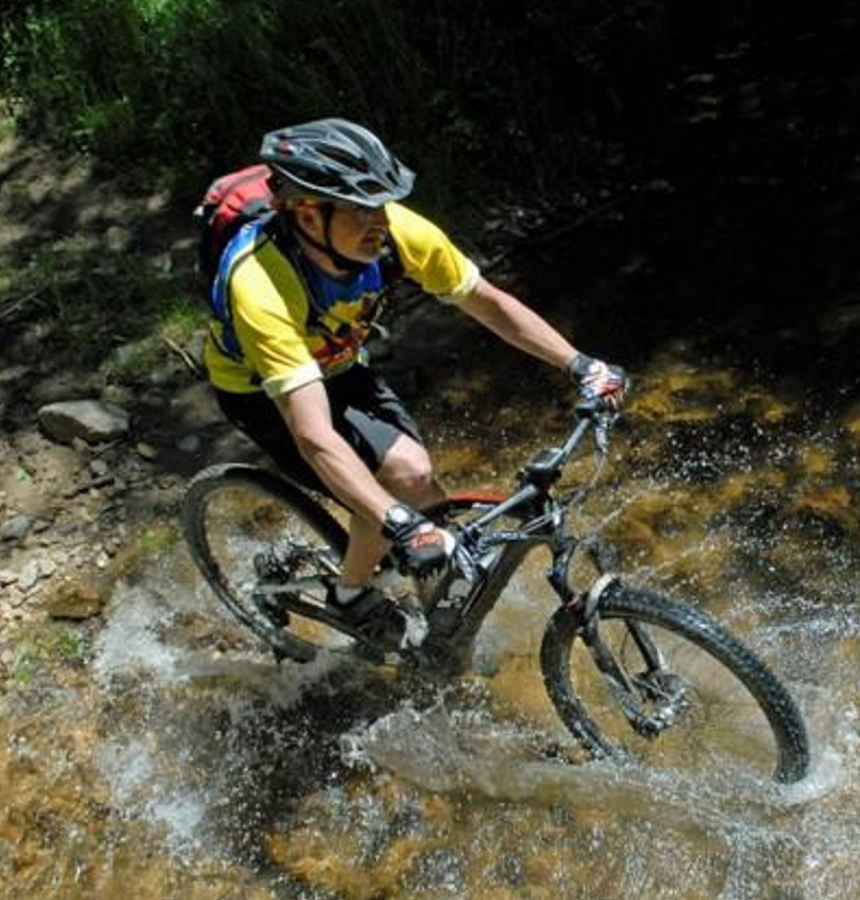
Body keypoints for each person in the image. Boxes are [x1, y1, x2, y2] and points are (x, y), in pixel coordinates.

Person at [203, 117, 626, 648]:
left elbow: (489, 304)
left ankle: (440, 633)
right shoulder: (259, 283)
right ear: (308, 213)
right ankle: (350, 597)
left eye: (381, 204)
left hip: (337, 367)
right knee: (387, 497)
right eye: (361, 209)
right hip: (263, 394)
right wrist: (395, 520)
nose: (379, 222)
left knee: (417, 477)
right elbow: (313, 435)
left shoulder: (396, 233)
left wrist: (580, 364)